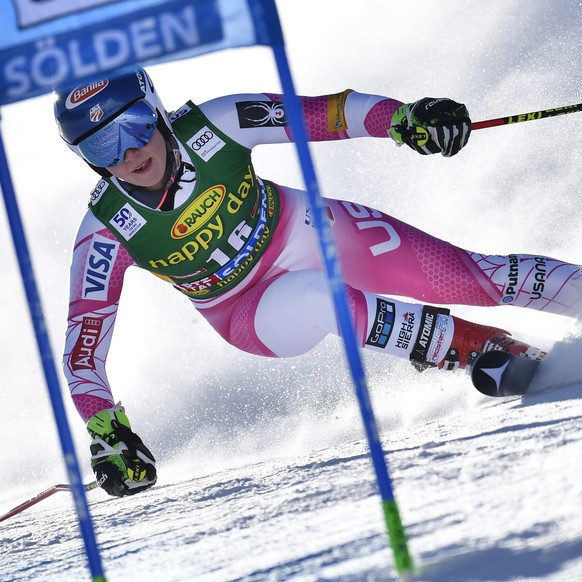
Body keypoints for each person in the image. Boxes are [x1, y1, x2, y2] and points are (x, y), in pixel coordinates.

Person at [54, 66, 581, 498]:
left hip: (311, 230)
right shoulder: (103, 233)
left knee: (477, 277)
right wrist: (108, 433)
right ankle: (485, 350)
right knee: (317, 299)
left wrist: (404, 118)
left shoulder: (216, 124)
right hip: (250, 310)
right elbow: (83, 351)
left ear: (158, 109)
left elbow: (327, 113)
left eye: (136, 127)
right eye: (101, 148)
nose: (128, 153)